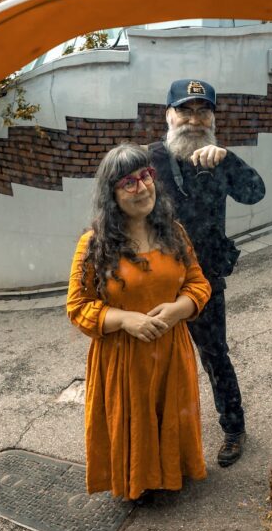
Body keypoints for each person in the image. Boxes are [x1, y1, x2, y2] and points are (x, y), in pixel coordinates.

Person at [66, 143, 212, 502]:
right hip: (123, 359)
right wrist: (123, 319)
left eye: (146, 176)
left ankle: (170, 473)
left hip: (172, 352)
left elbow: (198, 283)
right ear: (112, 194)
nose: (142, 187)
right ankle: (138, 480)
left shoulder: (173, 232)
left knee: (170, 414)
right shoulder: (94, 244)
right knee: (133, 420)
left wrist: (178, 309)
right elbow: (77, 306)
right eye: (128, 182)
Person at [147, 79, 266, 467]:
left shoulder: (218, 159)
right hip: (158, 282)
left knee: (215, 355)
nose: (194, 120)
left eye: (203, 112)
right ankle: (163, 437)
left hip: (206, 278)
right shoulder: (147, 161)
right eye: (185, 111)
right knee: (157, 362)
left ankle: (233, 428)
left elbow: (255, 193)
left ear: (212, 119)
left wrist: (228, 160)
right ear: (169, 115)